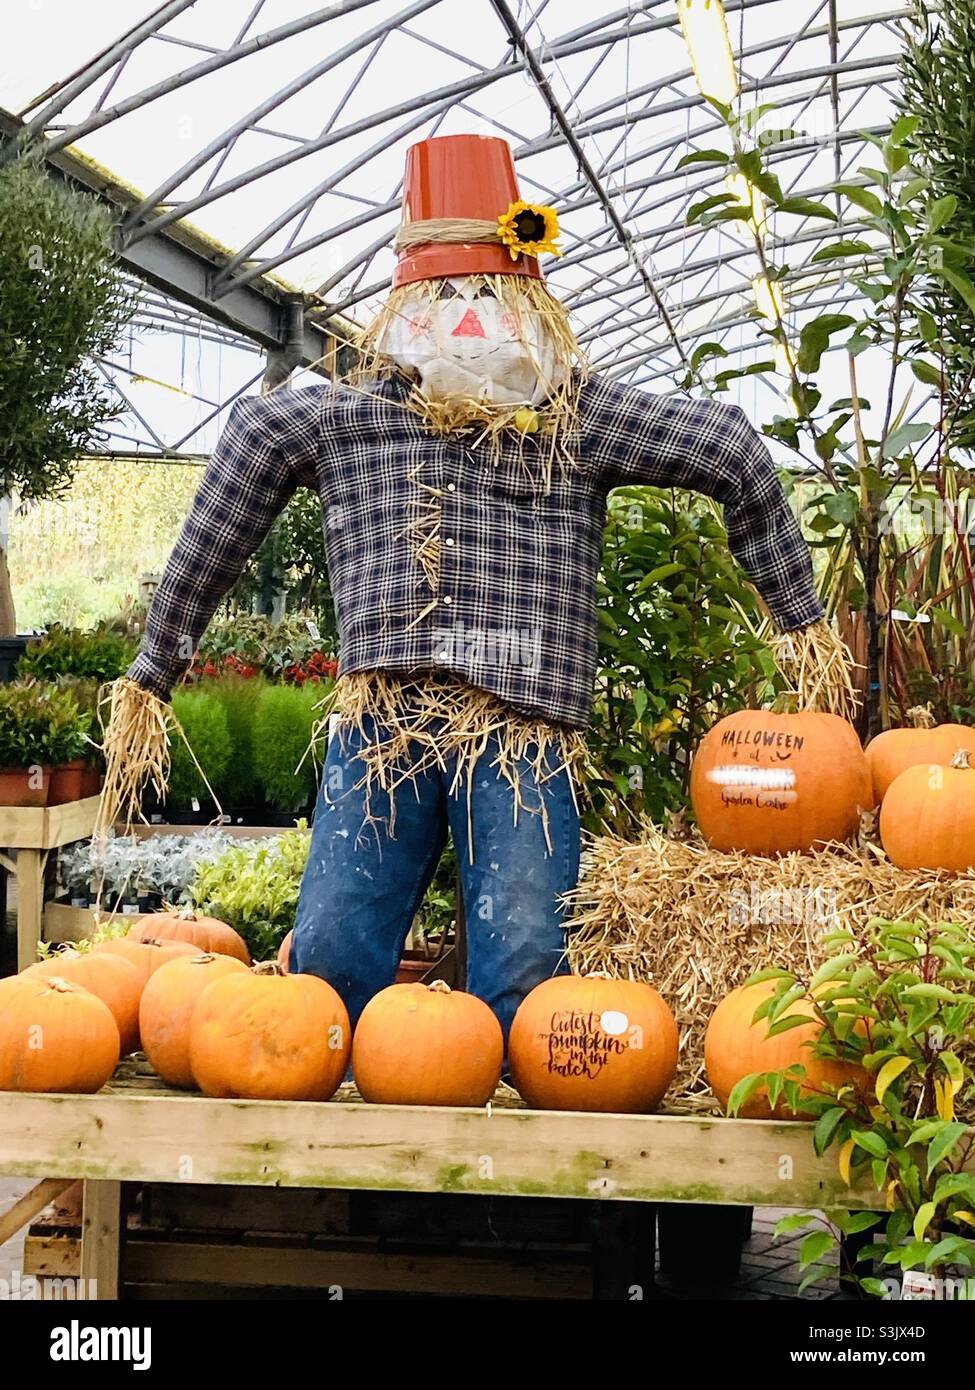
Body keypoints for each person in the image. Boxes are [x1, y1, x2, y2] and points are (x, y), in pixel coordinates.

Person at [109, 133, 831, 1041]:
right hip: (383, 723)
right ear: (402, 305)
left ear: (528, 297)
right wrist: (156, 663)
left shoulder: (574, 417)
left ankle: (498, 1167)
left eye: (484, 295)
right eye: (441, 296)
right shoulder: (347, 414)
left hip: (519, 733)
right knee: (332, 954)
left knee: (524, 969)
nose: (464, 320)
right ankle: (346, 1163)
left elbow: (725, 446)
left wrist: (798, 615)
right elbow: (246, 453)